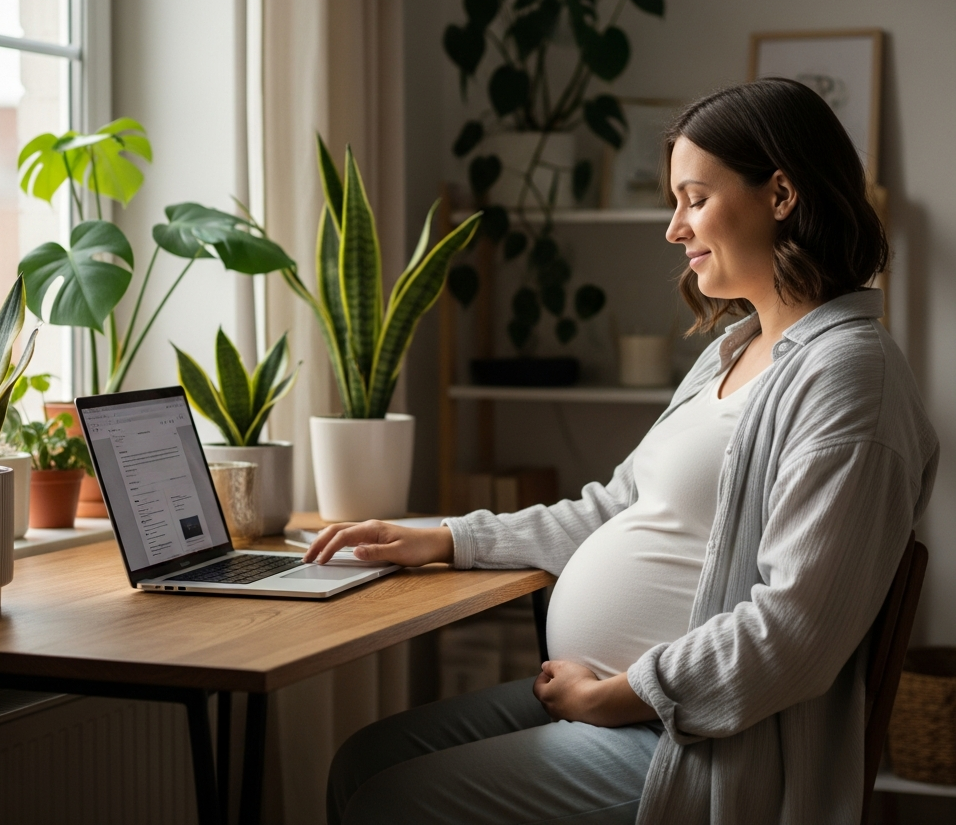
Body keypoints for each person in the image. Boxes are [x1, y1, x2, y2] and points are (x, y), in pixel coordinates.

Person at [306, 78, 938, 825]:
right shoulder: (735, 349)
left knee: (389, 801)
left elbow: (795, 630)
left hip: (700, 741)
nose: (674, 228)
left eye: (695, 199)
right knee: (360, 763)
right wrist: (448, 538)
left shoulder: (850, 376)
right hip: (620, 701)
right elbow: (616, 508)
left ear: (780, 195)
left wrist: (620, 695)